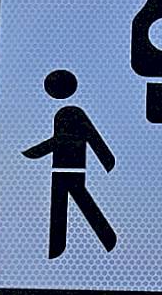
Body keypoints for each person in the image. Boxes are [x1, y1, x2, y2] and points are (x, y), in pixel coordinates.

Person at [24, 69, 117, 257]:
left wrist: (107, 160)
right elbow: (65, 140)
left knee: (80, 201)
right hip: (59, 169)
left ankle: (108, 239)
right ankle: (56, 250)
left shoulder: (72, 113)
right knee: (61, 206)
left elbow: (89, 137)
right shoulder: (62, 114)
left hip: (73, 168)